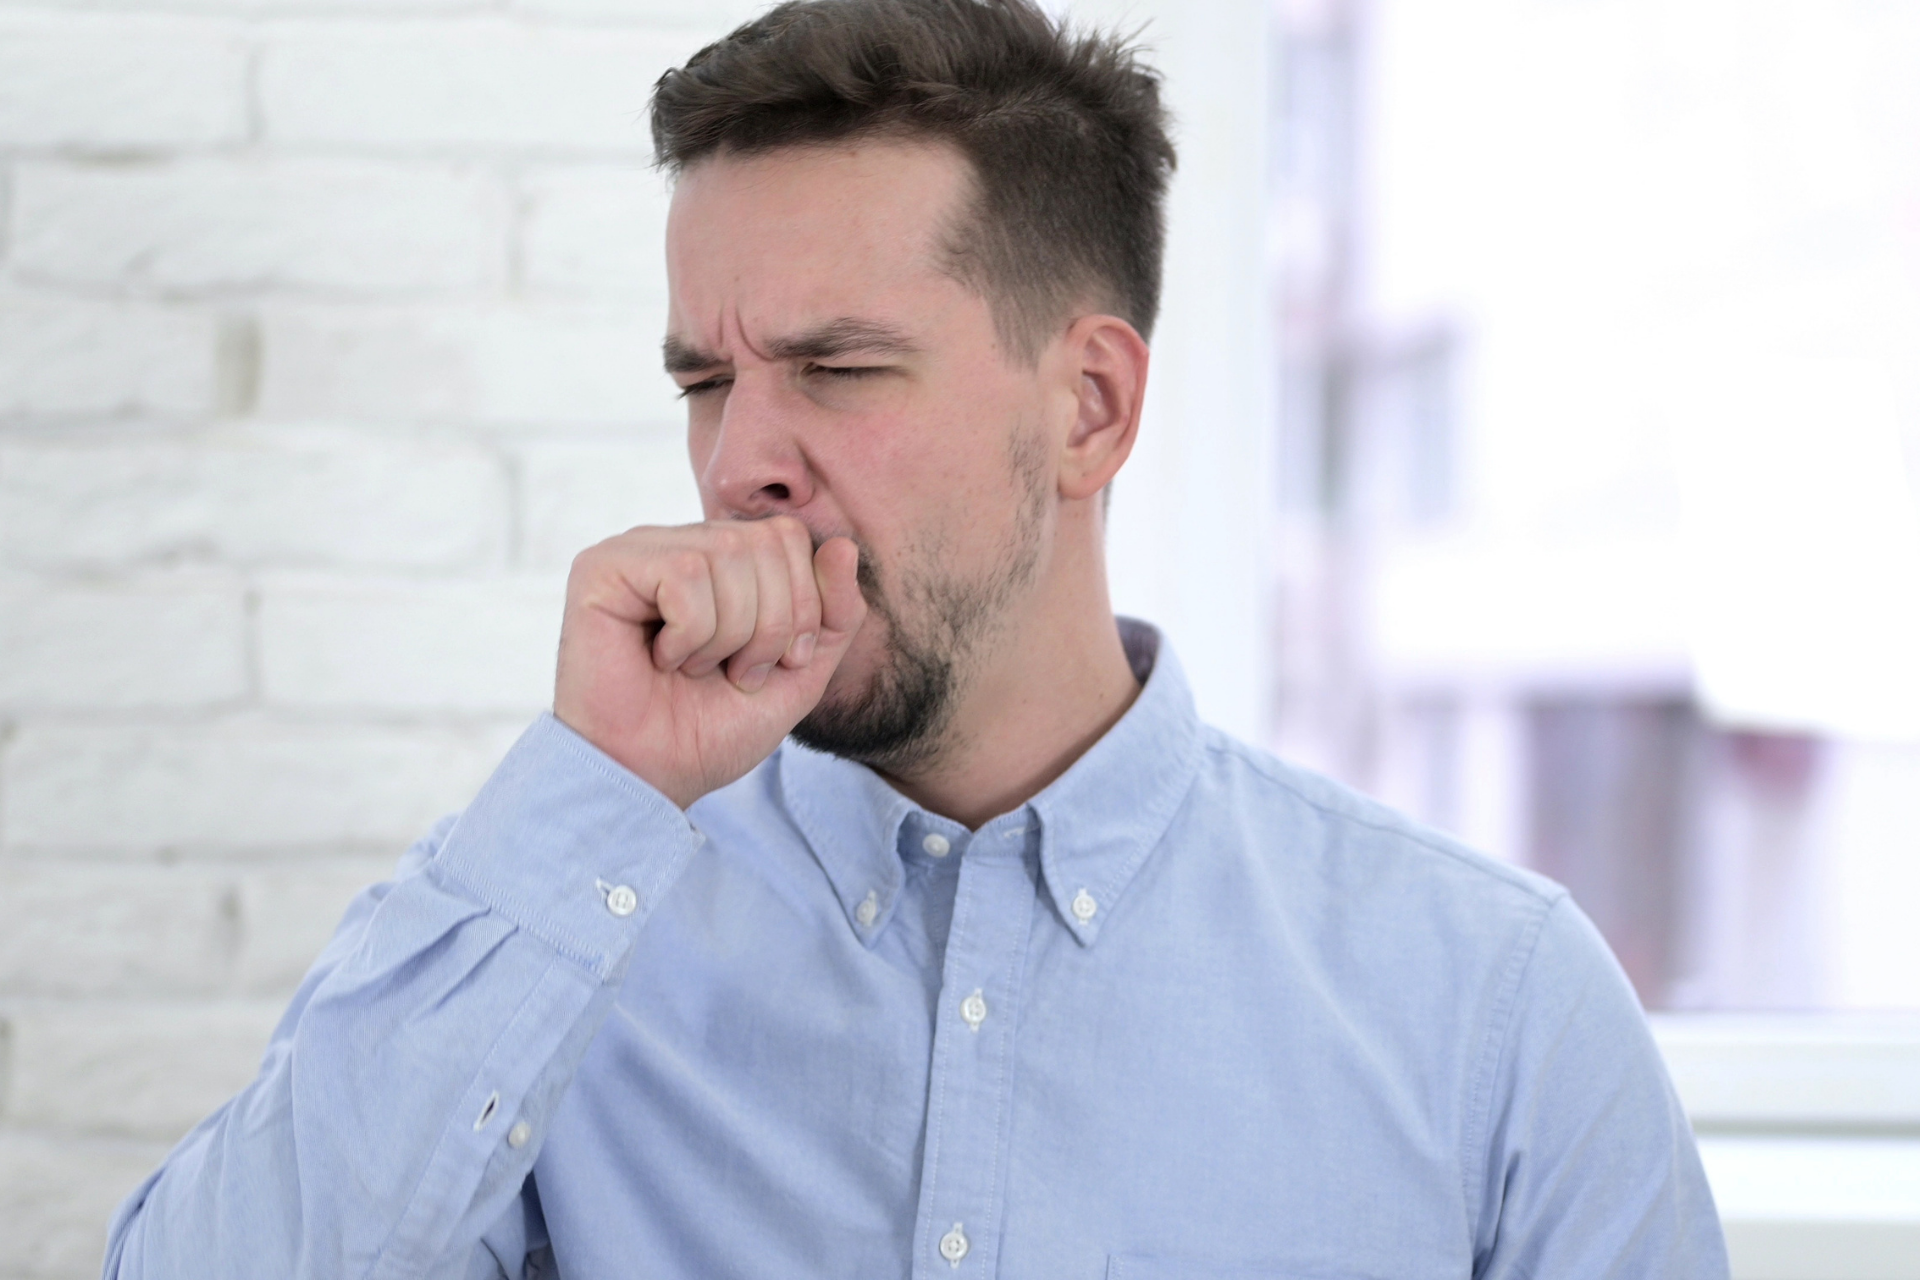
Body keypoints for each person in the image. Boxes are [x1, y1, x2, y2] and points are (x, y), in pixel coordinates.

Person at [104, 1, 1729, 1275]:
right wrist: (590, 787)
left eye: (839, 368)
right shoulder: (550, 937)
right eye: (703, 380)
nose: (740, 458)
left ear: (1089, 408)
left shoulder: (1491, 1009)